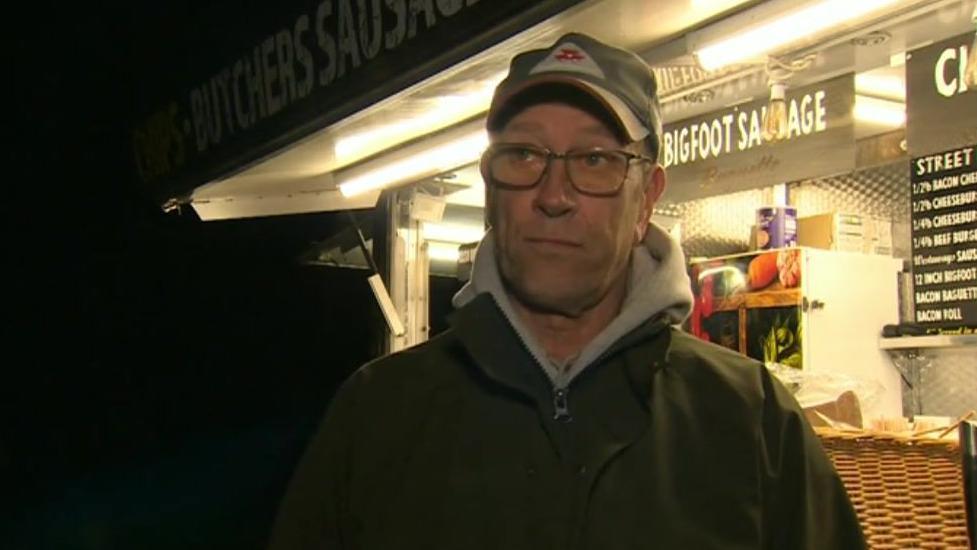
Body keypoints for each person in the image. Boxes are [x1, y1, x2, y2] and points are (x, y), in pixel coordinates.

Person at [267, 32, 867, 549]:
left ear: (647, 198)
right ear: (491, 186)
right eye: (524, 154)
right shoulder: (377, 416)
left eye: (596, 160)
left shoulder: (753, 421)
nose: (554, 195)